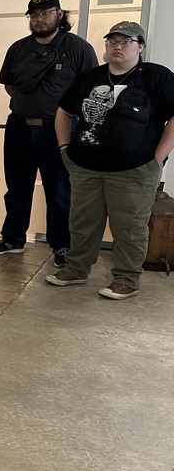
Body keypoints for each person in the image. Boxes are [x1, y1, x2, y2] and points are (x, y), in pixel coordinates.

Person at [46, 21, 174, 299]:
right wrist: (65, 148)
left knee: (129, 226)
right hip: (85, 165)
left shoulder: (156, 76)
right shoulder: (89, 78)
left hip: (134, 168)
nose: (118, 46)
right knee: (82, 222)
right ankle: (76, 269)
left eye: (126, 41)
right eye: (112, 41)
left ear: (140, 46)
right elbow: (63, 112)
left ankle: (127, 278)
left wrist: (158, 158)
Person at [0, 0, 98, 267]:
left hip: (57, 130)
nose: (39, 19)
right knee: (17, 188)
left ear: (59, 14)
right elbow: (10, 85)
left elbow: (89, 89)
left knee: (59, 191)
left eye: (46, 13)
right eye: (34, 15)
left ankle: (61, 246)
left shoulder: (77, 48)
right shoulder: (18, 48)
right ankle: (13, 239)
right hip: (19, 128)